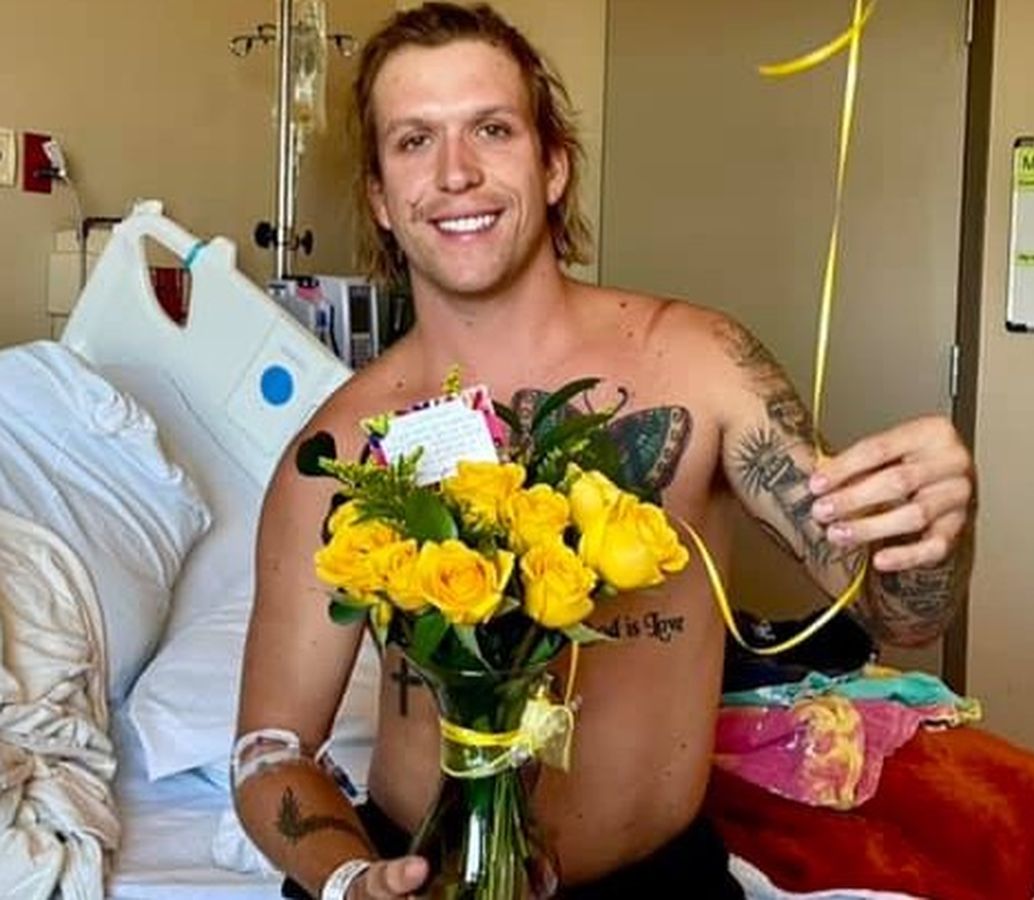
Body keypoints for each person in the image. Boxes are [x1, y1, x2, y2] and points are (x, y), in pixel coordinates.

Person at [233, 4, 976, 899]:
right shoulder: (341, 451)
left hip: (653, 880)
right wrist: (351, 878)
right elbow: (269, 751)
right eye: (415, 141)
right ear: (382, 201)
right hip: (416, 874)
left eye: (492, 129)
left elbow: (903, 617)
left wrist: (932, 531)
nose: (456, 172)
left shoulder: (699, 367)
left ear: (553, 166)